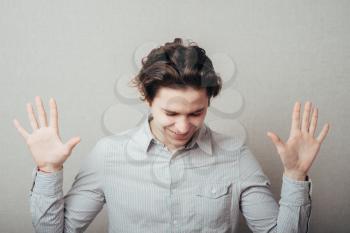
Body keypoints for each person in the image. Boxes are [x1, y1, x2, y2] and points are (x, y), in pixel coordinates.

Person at [13, 38, 330, 233]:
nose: (183, 127)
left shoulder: (235, 156)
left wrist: (295, 175)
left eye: (196, 113)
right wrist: (49, 171)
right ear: (149, 100)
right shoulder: (109, 154)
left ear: (208, 103)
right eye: (171, 113)